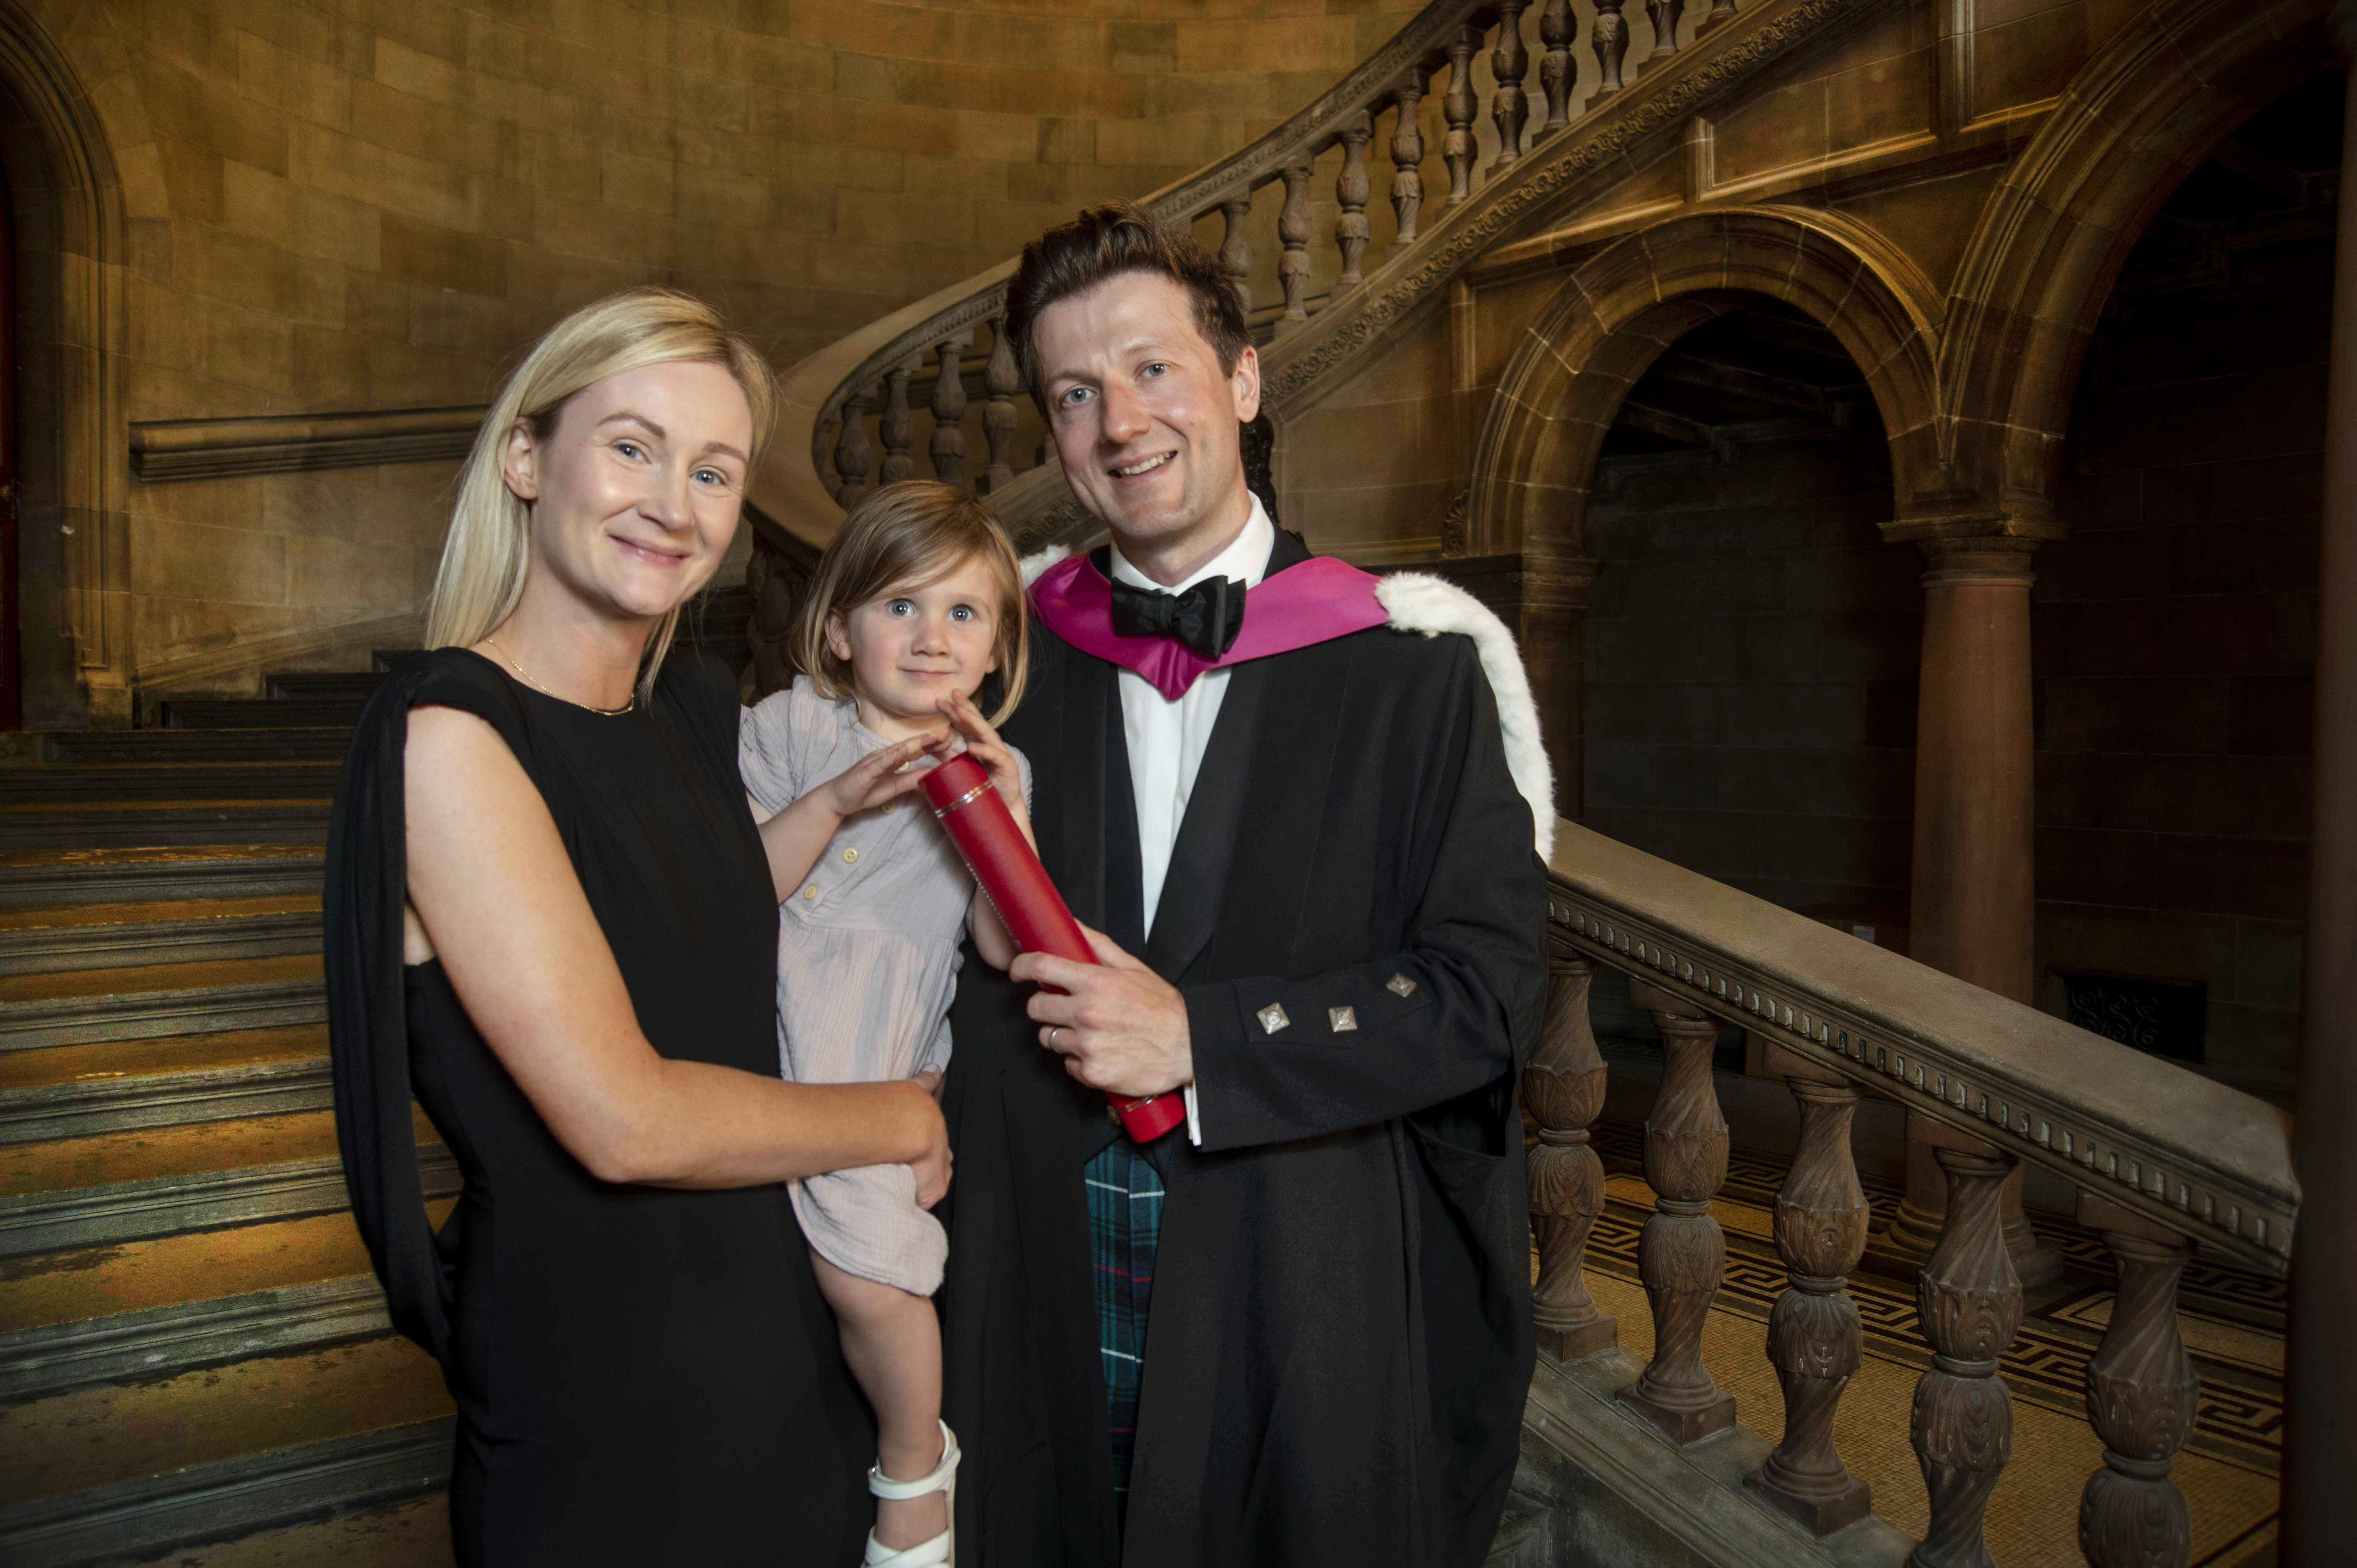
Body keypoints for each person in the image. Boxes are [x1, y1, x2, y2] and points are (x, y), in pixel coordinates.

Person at [937, 204, 1553, 1567]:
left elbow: (1491, 992)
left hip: (1299, 1285)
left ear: (1245, 380)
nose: (1120, 423)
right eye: (1075, 394)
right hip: (1035, 1272)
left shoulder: (1417, 673)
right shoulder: (997, 666)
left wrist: (1204, 1043)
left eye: (1153, 369)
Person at [324, 289, 951, 1567]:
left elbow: (699, 926)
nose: (675, 504)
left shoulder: (693, 709)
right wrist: (903, 1115)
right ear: (525, 458)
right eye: (631, 448)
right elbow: (623, 1122)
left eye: (714, 472)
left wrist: (834, 806)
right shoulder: (449, 736)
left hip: (784, 1359)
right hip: (602, 1408)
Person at [739, 482, 1036, 1568]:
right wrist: (829, 802)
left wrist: (1007, 820)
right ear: (837, 629)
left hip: (870, 1052)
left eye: (963, 613)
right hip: (757, 1025)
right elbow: (738, 898)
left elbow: (1004, 948)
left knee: (866, 1273)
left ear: (995, 653)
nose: (930, 636)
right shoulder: (785, 728)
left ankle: (916, 1467)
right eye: (900, 606)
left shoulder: (994, 771)